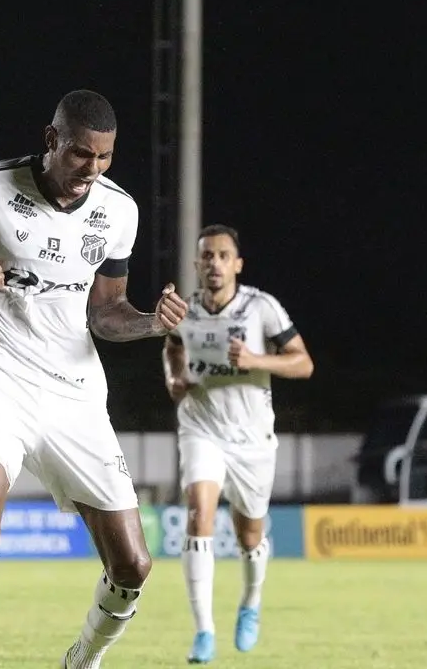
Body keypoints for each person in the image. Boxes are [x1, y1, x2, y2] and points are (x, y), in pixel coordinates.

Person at [0, 89, 188, 669]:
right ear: (51, 140)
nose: (90, 171)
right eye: (79, 156)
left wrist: (148, 323)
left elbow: (105, 313)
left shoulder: (119, 210)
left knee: (133, 566)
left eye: (104, 159)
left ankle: (81, 659)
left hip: (75, 390)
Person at [161, 224, 313, 664]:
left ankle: (251, 601)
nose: (214, 263)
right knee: (198, 514)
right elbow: (173, 347)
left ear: (237, 264)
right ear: (196, 264)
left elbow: (303, 364)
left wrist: (255, 360)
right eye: (207, 256)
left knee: (250, 535)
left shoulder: (261, 308)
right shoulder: (186, 310)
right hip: (201, 427)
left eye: (223, 255)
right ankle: (203, 631)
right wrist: (175, 377)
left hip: (251, 437)